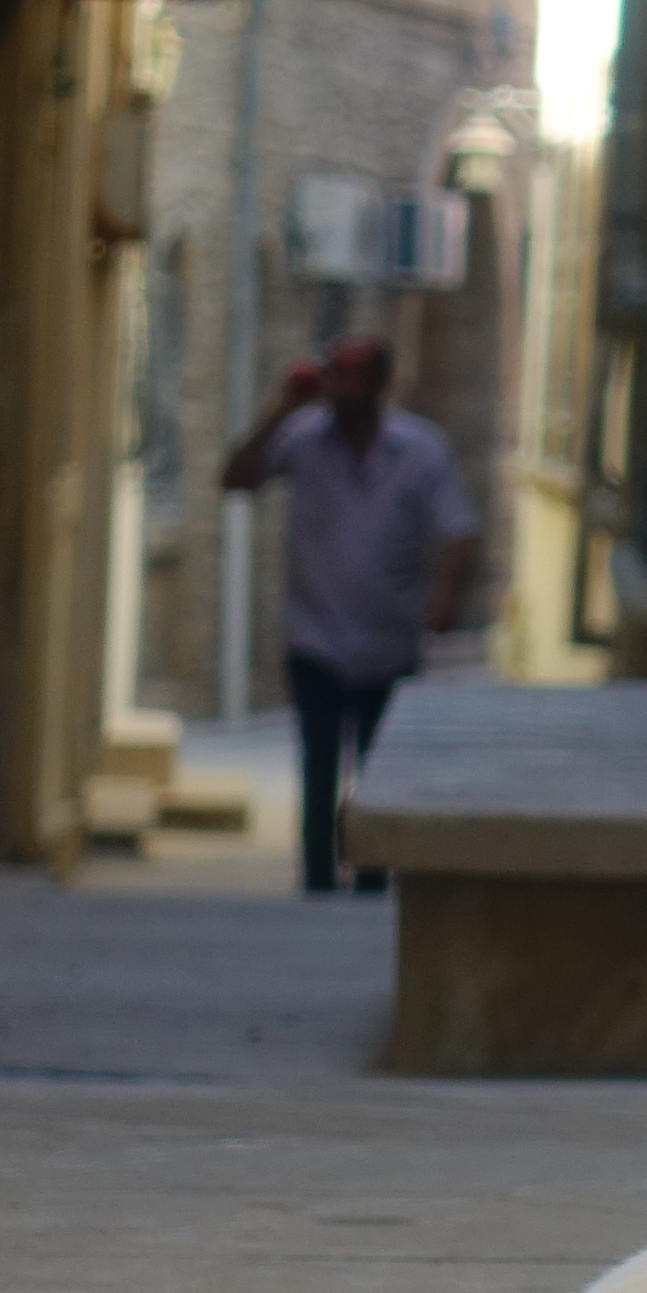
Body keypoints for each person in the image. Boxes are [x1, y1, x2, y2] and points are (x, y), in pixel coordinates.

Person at [221, 335, 482, 894]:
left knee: (377, 773)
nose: (343, 387)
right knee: (318, 769)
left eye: (355, 375)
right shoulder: (301, 440)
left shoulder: (420, 449)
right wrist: (279, 409)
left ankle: (371, 882)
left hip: (389, 639)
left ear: (380, 382)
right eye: (336, 374)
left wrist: (446, 596)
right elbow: (238, 478)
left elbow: (458, 529)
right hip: (315, 635)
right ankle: (317, 882)